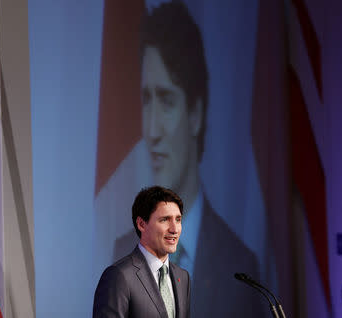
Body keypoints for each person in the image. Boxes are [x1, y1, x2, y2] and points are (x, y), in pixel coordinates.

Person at [113, 2, 265, 317]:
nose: (152, 130)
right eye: (146, 100)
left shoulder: (241, 267)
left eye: (166, 101)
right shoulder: (124, 254)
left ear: (195, 114)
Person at [93, 186, 190, 318]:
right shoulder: (119, 276)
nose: (174, 229)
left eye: (178, 220)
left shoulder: (183, 277)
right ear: (141, 224)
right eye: (165, 219)